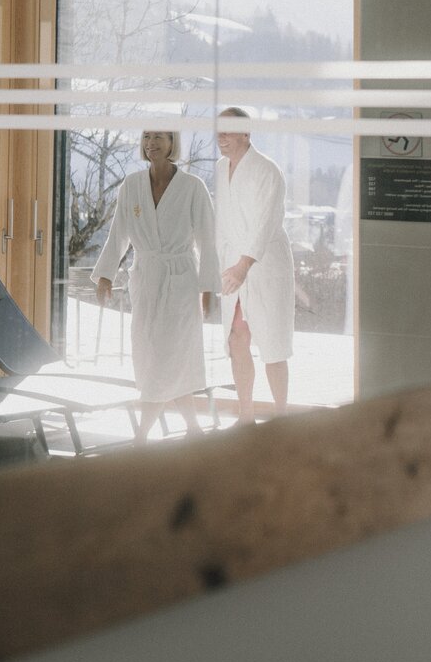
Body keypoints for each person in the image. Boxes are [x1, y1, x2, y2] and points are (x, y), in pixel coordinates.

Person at [92, 130, 219, 444]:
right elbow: (119, 232)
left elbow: (207, 240)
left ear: (173, 141)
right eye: (147, 136)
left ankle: (141, 435)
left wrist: (208, 288)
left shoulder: (193, 187)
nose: (152, 143)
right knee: (156, 357)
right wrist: (106, 274)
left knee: (169, 357)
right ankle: (193, 429)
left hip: (180, 281)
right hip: (147, 279)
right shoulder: (132, 185)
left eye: (159, 137)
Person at [214, 107, 296, 422]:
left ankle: (281, 416)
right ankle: (246, 414)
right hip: (232, 262)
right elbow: (221, 221)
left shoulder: (267, 170)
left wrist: (244, 265)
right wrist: (215, 264)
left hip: (264, 264)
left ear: (246, 134)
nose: (221, 138)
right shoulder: (222, 169)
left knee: (273, 344)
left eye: (228, 131)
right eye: (218, 131)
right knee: (237, 339)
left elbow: (265, 223)